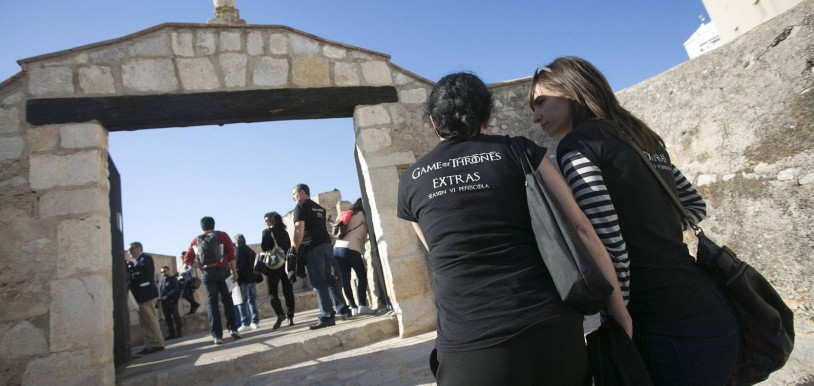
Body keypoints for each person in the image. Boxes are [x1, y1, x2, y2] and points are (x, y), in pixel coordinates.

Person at [396, 72, 626, 385]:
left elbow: (434, 252)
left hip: (470, 342)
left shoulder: (410, 182)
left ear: (434, 122)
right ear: (487, 118)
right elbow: (581, 227)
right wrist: (619, 312)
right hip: (550, 328)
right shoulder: (520, 150)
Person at [528, 56, 739, 385]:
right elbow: (694, 207)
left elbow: (607, 241)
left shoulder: (578, 147)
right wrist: (654, 230)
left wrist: (619, 312)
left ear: (571, 92)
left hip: (661, 317)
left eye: (541, 102)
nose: (536, 115)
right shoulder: (642, 136)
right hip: (708, 302)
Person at [291, 184, 353, 330]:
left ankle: (327, 316)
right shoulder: (319, 208)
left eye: (294, 193)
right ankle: (343, 309)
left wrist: (295, 248)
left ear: (301, 192)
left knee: (319, 282)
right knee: (330, 279)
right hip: (326, 244)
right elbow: (326, 221)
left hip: (312, 247)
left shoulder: (300, 207)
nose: (292, 197)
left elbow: (299, 228)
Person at [183, 216, 242, 345]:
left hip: (207, 275)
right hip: (223, 272)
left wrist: (200, 266)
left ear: (202, 227)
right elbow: (231, 254)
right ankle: (233, 329)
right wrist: (234, 272)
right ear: (213, 225)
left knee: (212, 304)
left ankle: (217, 336)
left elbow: (187, 259)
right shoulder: (222, 235)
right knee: (228, 300)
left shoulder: (196, 240)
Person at [332, 198, 374, 316]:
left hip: (337, 249)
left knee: (346, 279)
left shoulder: (345, 214)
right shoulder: (361, 214)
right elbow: (371, 228)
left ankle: (353, 307)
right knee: (361, 276)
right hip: (351, 248)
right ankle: (362, 305)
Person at [126, 242, 165, 355]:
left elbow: (145, 273)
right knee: (144, 321)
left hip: (146, 293)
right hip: (139, 295)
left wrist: (131, 274)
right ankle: (149, 345)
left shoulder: (145, 258)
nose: (129, 252)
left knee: (150, 319)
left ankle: (157, 343)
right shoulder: (135, 262)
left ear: (138, 248)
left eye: (131, 249)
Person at [262, 211, 296, 329]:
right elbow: (288, 246)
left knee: (272, 293)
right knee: (288, 291)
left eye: (266, 220)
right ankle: (290, 317)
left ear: (271, 220)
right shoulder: (284, 232)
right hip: (285, 264)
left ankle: (280, 314)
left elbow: (264, 248)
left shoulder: (267, 232)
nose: (265, 223)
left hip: (273, 266)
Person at [234, 233, 261, 332]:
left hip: (243, 280)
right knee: (252, 300)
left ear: (237, 241)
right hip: (252, 279)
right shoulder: (250, 250)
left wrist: (234, 275)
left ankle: (245, 323)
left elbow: (238, 266)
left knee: (242, 301)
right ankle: (255, 321)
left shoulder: (239, 250)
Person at [159, 266, 183, 339]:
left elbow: (175, 290)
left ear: (168, 271)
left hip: (172, 301)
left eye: (165, 271)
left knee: (176, 317)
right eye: (162, 272)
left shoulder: (173, 279)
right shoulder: (162, 281)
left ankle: (179, 333)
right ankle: (171, 334)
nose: (164, 273)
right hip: (164, 302)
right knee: (167, 318)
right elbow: (161, 291)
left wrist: (167, 296)